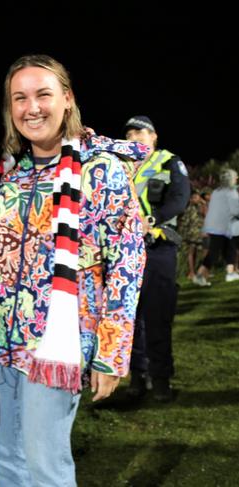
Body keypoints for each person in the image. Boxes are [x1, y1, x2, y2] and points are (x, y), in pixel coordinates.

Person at [0, 54, 147, 486]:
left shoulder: (101, 171)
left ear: (67, 99)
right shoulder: (11, 175)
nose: (31, 107)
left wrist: (112, 353)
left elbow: (127, 263)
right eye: (19, 98)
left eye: (42, 94)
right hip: (1, 341)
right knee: (6, 460)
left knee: (45, 464)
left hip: (57, 344)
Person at [125, 115, 190, 401]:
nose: (135, 137)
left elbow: (180, 198)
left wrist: (153, 220)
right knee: (130, 317)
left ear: (154, 136)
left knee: (157, 316)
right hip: (127, 251)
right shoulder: (120, 165)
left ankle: (161, 379)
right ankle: (138, 377)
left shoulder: (169, 161)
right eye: (130, 134)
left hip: (159, 248)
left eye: (140, 132)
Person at [194, 168, 239, 283]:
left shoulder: (217, 191)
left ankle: (230, 273)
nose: (236, 179)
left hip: (216, 226)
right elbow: (235, 210)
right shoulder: (231, 192)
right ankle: (199, 276)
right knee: (214, 253)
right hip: (222, 227)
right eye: (235, 177)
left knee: (229, 249)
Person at [178, 189, 206, 280]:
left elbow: (205, 214)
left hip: (199, 232)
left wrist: (203, 203)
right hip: (190, 233)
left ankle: (199, 271)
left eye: (198, 197)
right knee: (191, 252)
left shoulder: (200, 206)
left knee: (200, 252)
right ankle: (191, 272)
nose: (197, 199)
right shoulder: (189, 207)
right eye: (195, 197)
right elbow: (184, 221)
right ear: (191, 199)